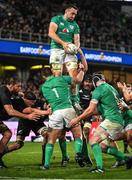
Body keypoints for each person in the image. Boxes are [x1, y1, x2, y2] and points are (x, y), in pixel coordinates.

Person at [69, 72, 132, 173]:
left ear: (94, 81)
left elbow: (91, 109)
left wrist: (77, 118)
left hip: (112, 120)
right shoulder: (111, 88)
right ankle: (126, 158)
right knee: (102, 147)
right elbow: (99, 110)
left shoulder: (98, 90)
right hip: (118, 121)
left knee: (93, 140)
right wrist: (83, 113)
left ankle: (99, 168)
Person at [40, 64, 85, 170]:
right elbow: (78, 80)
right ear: (52, 72)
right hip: (68, 109)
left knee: (51, 140)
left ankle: (46, 164)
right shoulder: (62, 79)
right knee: (78, 134)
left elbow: (50, 100)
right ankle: (78, 153)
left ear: (42, 76)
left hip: (55, 113)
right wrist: (81, 70)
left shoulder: (43, 87)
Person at [0, 79, 40, 169]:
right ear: (11, 85)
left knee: (7, 134)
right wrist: (28, 117)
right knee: (7, 134)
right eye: (18, 86)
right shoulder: (3, 92)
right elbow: (10, 111)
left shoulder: (9, 93)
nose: (20, 88)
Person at [48, 4, 80, 78]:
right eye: (72, 13)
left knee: (74, 76)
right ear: (66, 11)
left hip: (69, 51)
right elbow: (51, 33)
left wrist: (75, 49)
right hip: (57, 49)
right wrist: (63, 43)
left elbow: (77, 41)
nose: (74, 16)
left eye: (75, 14)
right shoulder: (56, 19)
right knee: (57, 74)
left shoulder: (75, 25)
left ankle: (73, 89)